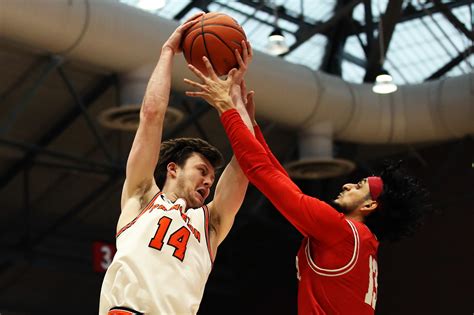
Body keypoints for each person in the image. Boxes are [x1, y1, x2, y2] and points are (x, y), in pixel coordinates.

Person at [184, 56, 431, 314]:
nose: (348, 185)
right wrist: (249, 123)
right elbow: (279, 179)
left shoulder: (342, 232)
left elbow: (262, 172)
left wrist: (226, 109)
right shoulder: (356, 240)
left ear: (369, 205)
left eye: (359, 185)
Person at [99, 14, 254, 315]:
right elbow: (152, 116)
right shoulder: (142, 196)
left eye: (212, 176)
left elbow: (248, 163)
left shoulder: (210, 226)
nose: (210, 181)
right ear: (173, 168)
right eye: (202, 171)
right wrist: (167, 52)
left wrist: (233, 94)